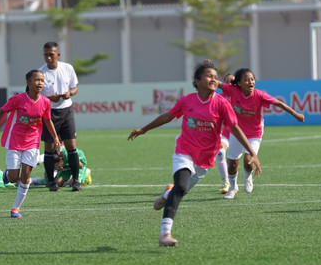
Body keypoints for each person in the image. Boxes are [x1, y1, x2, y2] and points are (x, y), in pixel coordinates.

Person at [128, 60, 261, 247]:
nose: (214, 79)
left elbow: (235, 128)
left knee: (179, 191)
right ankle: (165, 233)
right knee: (180, 187)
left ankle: (166, 195)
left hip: (205, 160)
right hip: (184, 151)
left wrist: (251, 151)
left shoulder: (222, 103)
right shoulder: (187, 101)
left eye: (216, 77)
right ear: (197, 81)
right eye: (209, 76)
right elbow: (168, 116)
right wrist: (144, 129)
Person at [0, 69, 61, 218]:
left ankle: (15, 208)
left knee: (26, 175)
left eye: (42, 81)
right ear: (28, 82)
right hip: (15, 141)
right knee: (12, 178)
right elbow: (2, 110)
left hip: (32, 142)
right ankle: (6, 173)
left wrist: (55, 137)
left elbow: (48, 120)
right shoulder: (18, 99)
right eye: (37, 80)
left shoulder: (45, 102)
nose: (40, 83)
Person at [220, 68, 305, 199]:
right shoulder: (233, 91)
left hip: (254, 132)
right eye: (247, 80)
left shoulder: (260, 95)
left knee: (248, 161)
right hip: (237, 131)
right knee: (231, 164)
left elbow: (279, 103)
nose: (250, 82)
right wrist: (207, 69)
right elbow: (216, 83)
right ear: (239, 83)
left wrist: (296, 115)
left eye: (252, 79)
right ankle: (233, 187)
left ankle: (248, 177)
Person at [39, 41, 82, 192]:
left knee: (71, 146)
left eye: (51, 55)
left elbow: (74, 87)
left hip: (66, 110)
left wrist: (70, 93)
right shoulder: (40, 73)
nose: (48, 58)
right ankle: (51, 182)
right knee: (49, 148)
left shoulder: (67, 68)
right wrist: (50, 99)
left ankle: (76, 181)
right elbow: (36, 95)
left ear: (58, 55)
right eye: (46, 55)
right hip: (49, 113)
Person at [215, 73, 234, 194]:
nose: (229, 84)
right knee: (221, 152)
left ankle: (244, 179)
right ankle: (226, 182)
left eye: (232, 81)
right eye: (226, 81)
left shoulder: (241, 97)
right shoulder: (218, 98)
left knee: (242, 162)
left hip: (241, 134)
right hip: (225, 133)